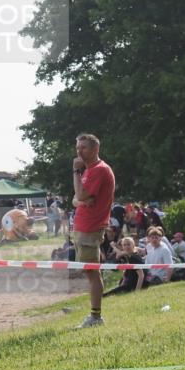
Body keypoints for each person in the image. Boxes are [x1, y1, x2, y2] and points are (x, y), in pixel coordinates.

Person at [71, 133, 116, 328]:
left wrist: (75, 172)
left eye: (84, 147)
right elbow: (76, 199)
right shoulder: (89, 170)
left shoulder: (98, 170)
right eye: (78, 147)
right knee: (90, 272)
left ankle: (96, 317)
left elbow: (79, 195)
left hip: (90, 229)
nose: (79, 151)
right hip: (83, 228)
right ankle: (95, 315)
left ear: (95, 149)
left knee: (92, 274)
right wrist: (80, 198)